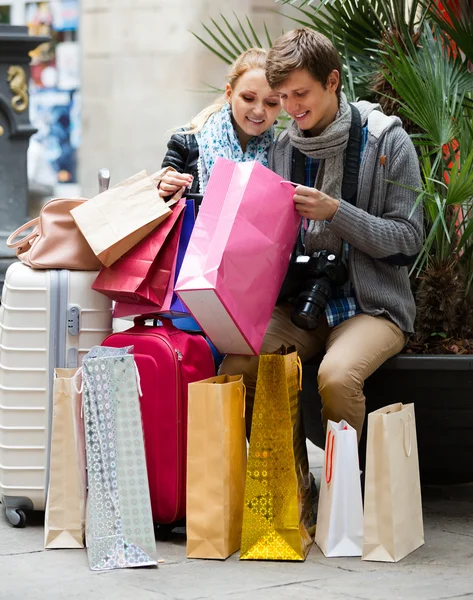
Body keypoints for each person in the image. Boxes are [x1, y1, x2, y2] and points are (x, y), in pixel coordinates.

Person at [219, 28, 423, 441]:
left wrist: (336, 213)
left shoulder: (387, 141)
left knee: (335, 376)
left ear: (332, 81)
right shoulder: (281, 150)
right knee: (237, 365)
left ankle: (342, 497)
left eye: (301, 94)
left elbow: (408, 240)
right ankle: (289, 489)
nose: (291, 108)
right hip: (303, 303)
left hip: (372, 307)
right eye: (284, 97)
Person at [158, 48, 281, 199]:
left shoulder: (283, 153)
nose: (259, 111)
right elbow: (162, 207)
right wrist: (164, 188)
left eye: (271, 103)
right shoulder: (185, 143)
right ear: (229, 93)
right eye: (248, 98)